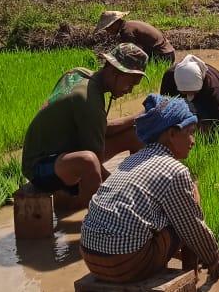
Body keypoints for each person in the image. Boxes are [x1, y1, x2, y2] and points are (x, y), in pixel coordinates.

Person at [80, 94, 219, 283]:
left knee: (167, 215)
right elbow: (192, 226)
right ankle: (192, 276)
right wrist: (216, 258)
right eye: (190, 132)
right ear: (172, 134)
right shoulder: (175, 170)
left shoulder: (132, 160)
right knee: (189, 207)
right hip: (124, 264)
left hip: (90, 257)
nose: (193, 141)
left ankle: (189, 260)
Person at [21, 43, 148, 206]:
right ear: (114, 71)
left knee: (135, 133)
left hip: (63, 154)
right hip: (39, 167)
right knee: (89, 161)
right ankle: (77, 207)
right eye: (130, 84)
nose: (130, 90)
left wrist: (138, 117)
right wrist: (122, 192)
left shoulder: (80, 73)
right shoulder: (89, 101)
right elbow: (96, 163)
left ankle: (138, 183)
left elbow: (99, 127)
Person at [161, 54, 219, 135]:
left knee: (203, 121)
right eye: (185, 92)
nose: (190, 96)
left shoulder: (212, 86)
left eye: (194, 92)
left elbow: (218, 118)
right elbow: (164, 106)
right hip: (198, 102)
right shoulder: (169, 77)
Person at [95, 10, 175, 63]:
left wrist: (111, 58)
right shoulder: (129, 25)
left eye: (108, 28)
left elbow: (132, 53)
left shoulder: (127, 32)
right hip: (168, 52)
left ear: (114, 23)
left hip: (163, 56)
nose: (107, 31)